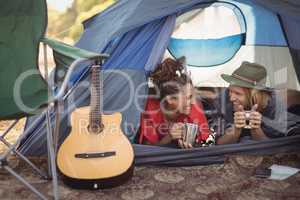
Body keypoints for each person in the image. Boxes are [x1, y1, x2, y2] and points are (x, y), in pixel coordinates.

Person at [138, 57, 210, 148]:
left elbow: (208, 142)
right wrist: (169, 137)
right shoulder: (151, 109)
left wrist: (194, 142)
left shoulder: (195, 107)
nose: (193, 102)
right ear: (170, 99)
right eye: (189, 97)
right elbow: (147, 148)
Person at [216, 61, 287, 145]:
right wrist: (236, 129)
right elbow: (218, 144)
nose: (231, 98)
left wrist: (255, 128)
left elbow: (275, 150)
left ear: (255, 95)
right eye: (230, 91)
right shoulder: (224, 99)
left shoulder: (274, 107)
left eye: (238, 93)